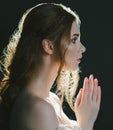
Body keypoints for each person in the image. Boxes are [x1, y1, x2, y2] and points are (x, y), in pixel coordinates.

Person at [0, 3, 101, 130]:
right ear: (48, 46)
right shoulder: (39, 110)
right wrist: (86, 123)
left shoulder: (52, 100)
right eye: (74, 40)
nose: (83, 48)